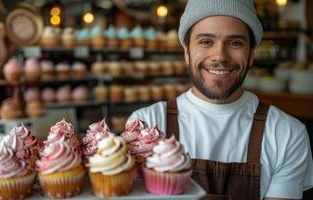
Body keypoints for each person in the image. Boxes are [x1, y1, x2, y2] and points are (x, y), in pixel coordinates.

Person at [127, 0, 313, 199]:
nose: (220, 56)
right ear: (186, 51)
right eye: (206, 41)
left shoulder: (286, 134)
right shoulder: (145, 125)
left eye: (235, 43)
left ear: (251, 54)